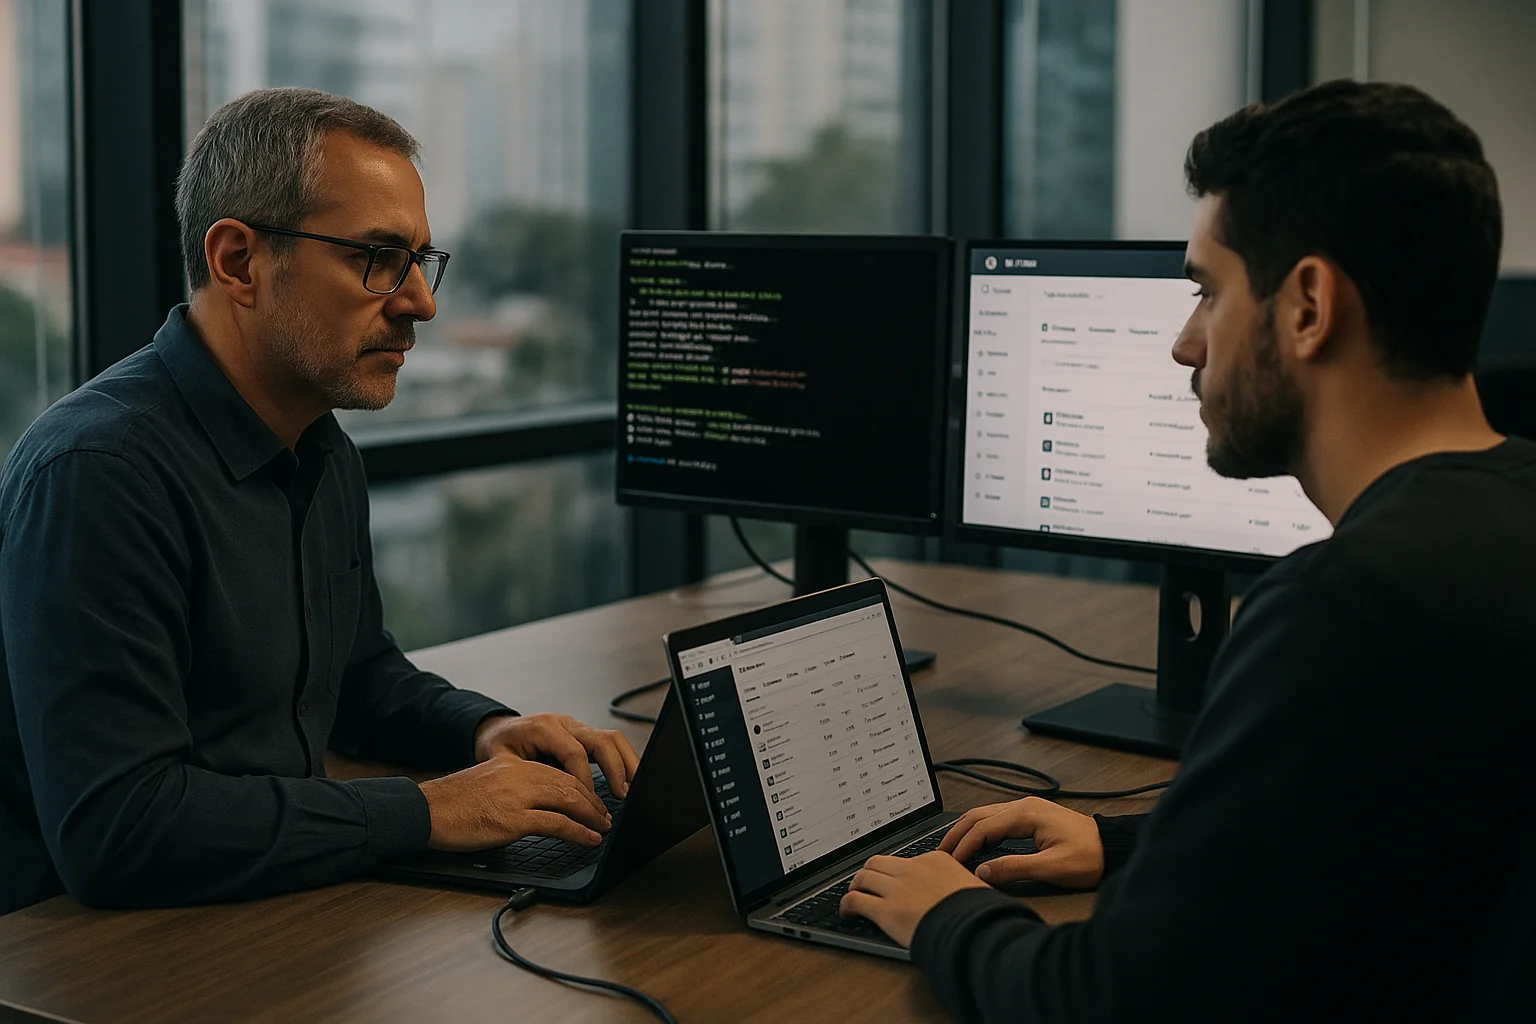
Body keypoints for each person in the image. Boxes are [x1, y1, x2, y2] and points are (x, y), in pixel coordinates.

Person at [840, 79, 1536, 1020]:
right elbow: (1396, 826)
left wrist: (948, 913)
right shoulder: (1503, 518)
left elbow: (1109, 1002)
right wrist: (1119, 841)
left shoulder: (1347, 605)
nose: (1182, 344)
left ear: (1308, 306)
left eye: (1206, 291)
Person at [0, 88, 638, 915]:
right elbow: (121, 828)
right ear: (236, 262)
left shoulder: (318, 443)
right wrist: (429, 809)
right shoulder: (97, 470)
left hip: (270, 905)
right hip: (96, 957)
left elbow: (358, 675)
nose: (421, 302)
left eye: (421, 258)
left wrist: (481, 731)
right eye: (377, 257)